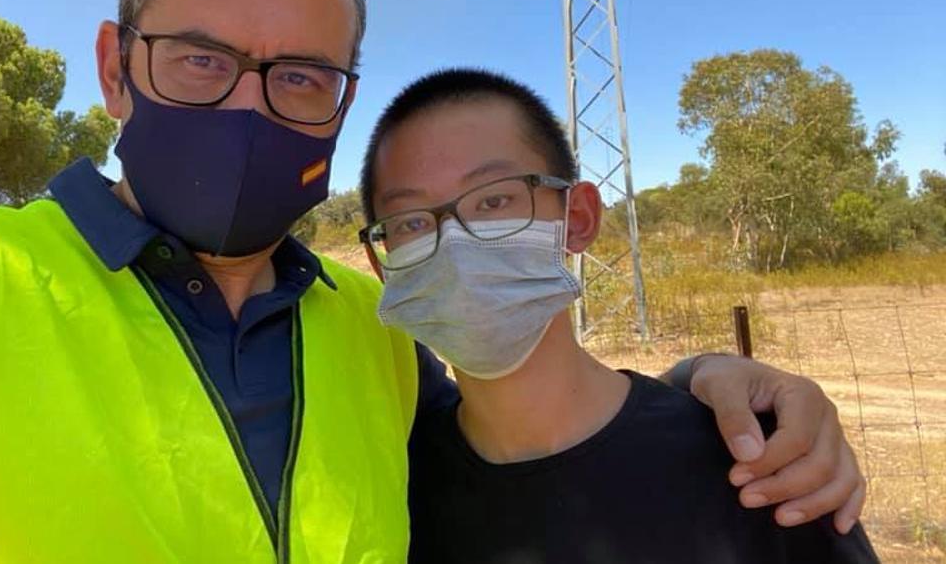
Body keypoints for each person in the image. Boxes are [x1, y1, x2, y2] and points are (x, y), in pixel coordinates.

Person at [0, 0, 862, 562]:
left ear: (340, 98)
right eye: (199, 59)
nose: (246, 104)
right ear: (113, 71)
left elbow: (537, 423)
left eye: (299, 76)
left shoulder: (375, 333)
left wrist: (714, 380)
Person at [358, 68, 879, 563]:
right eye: (410, 223)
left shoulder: (761, 466)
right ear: (384, 267)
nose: (454, 242)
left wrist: (703, 368)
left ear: (577, 218)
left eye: (494, 201)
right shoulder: (390, 482)